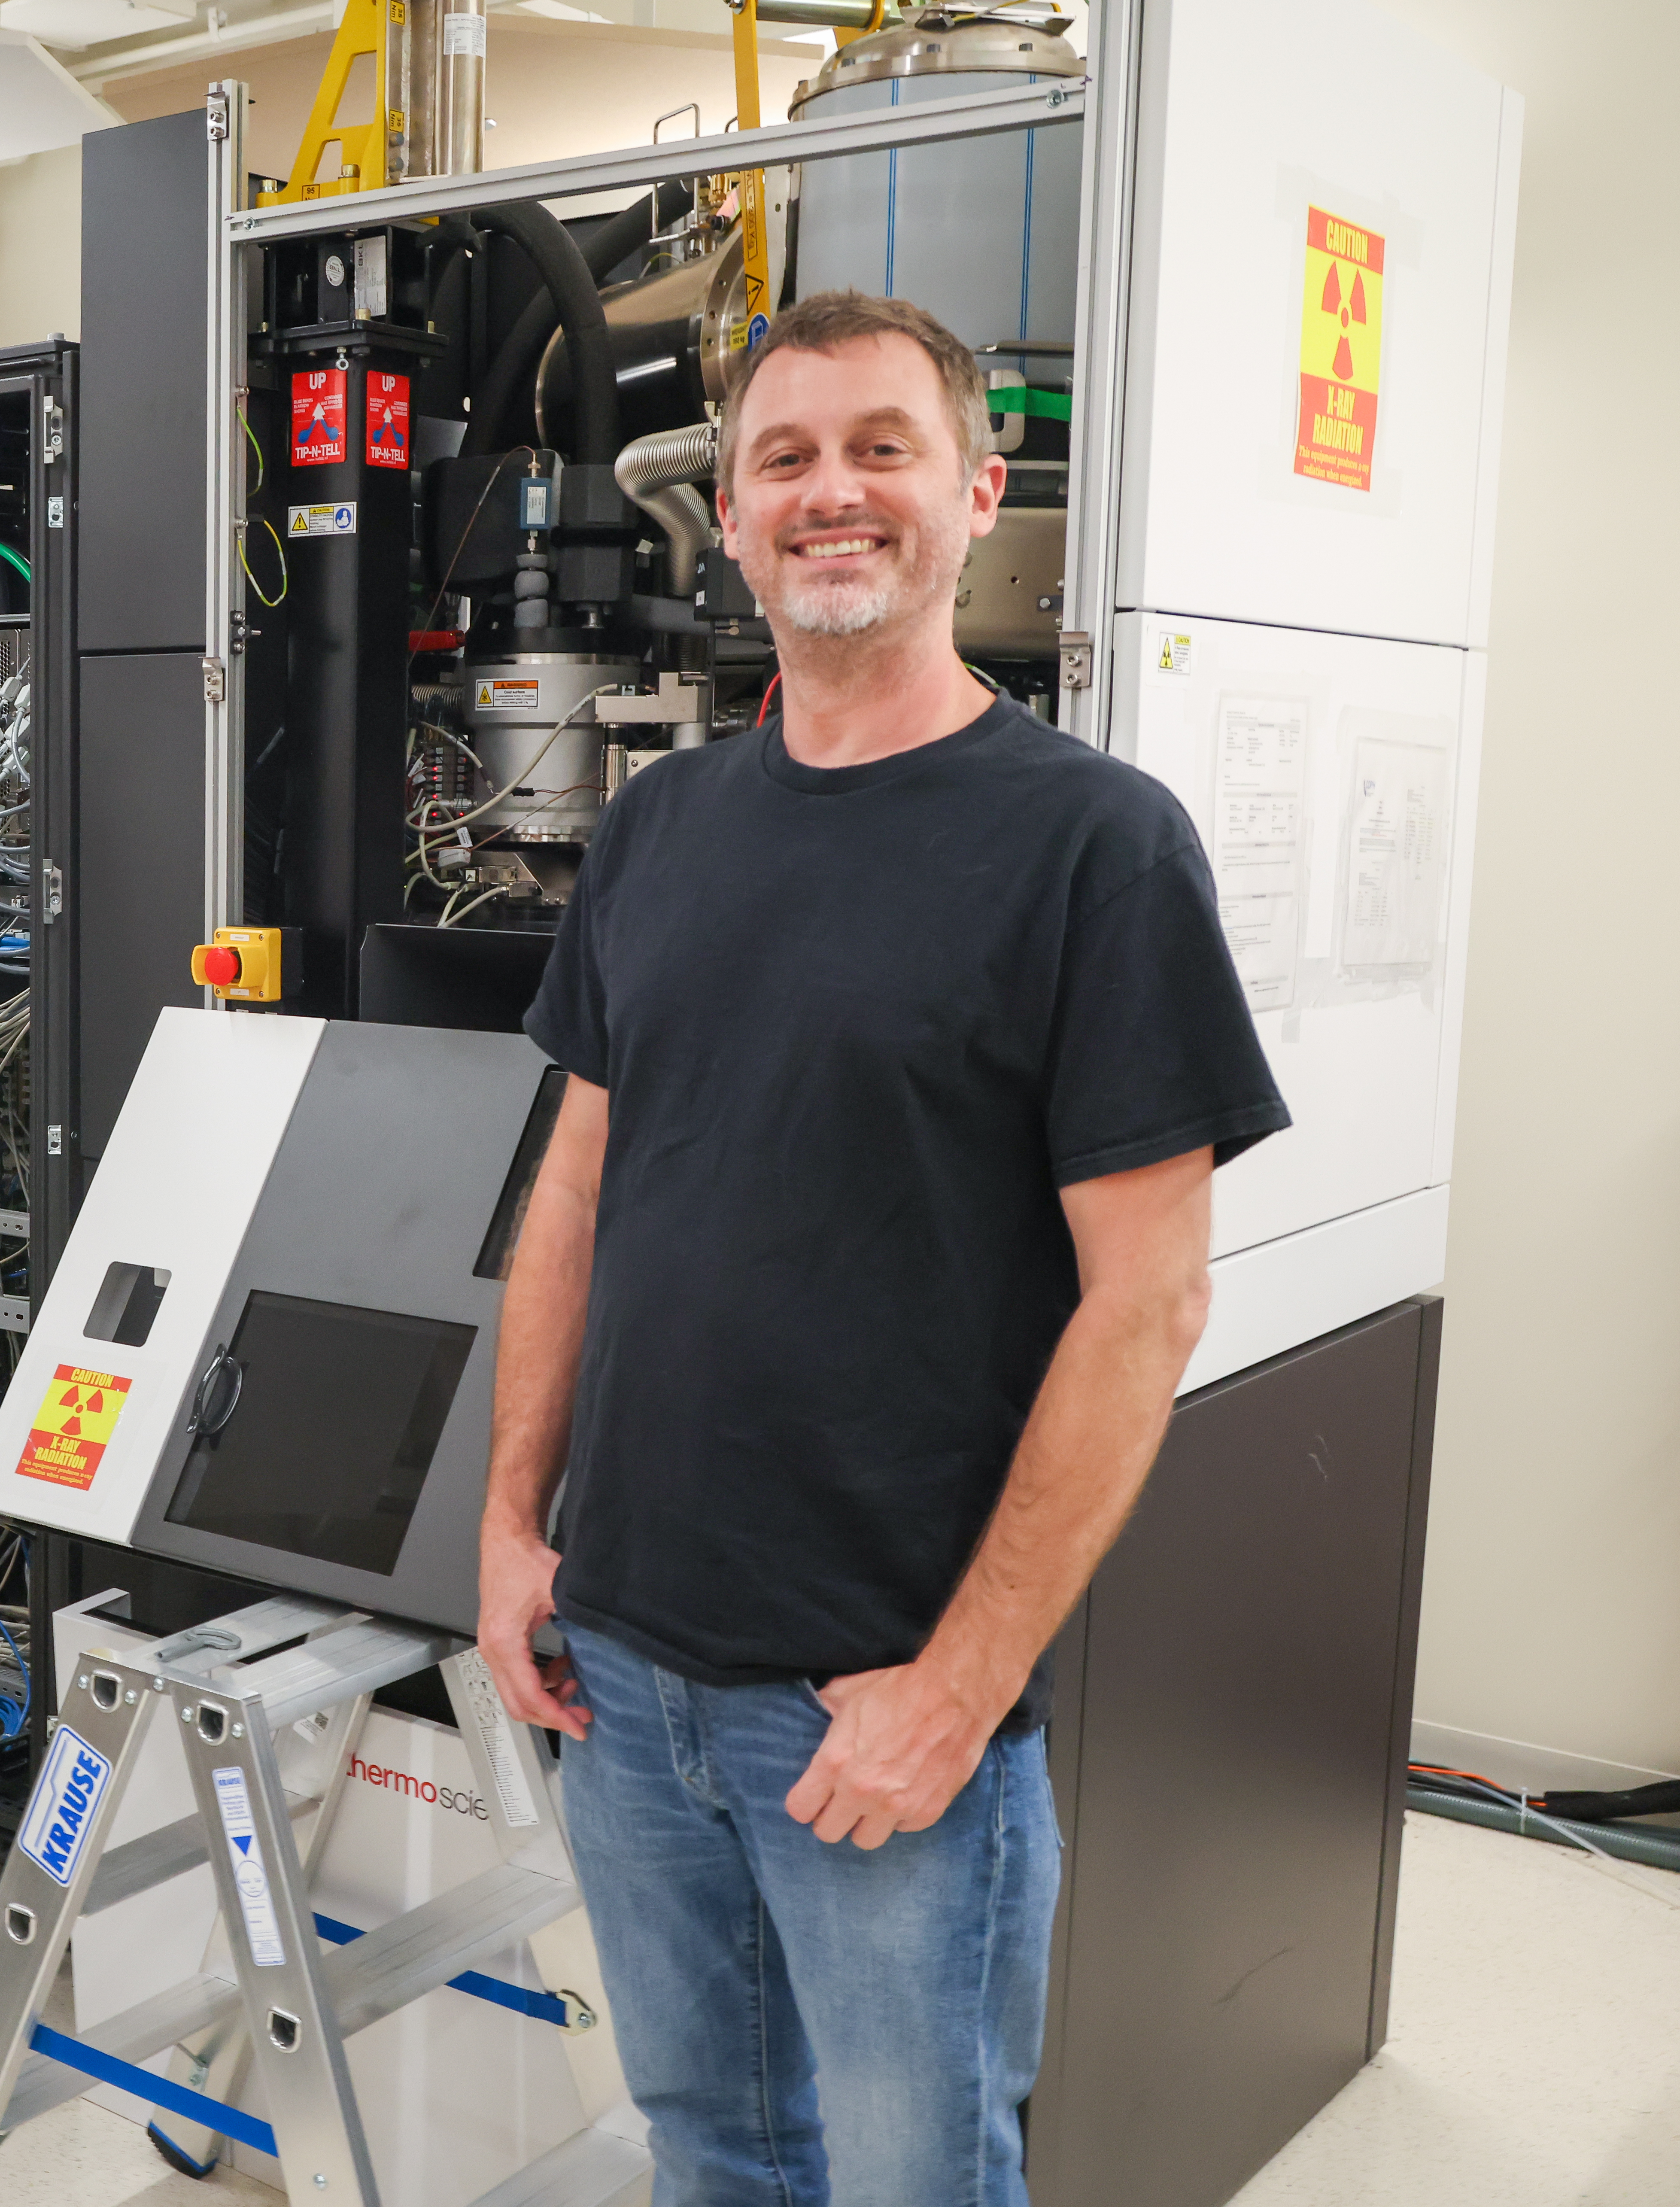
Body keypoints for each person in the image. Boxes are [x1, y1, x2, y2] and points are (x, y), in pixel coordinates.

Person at [473, 292, 1291, 2207]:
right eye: (783, 458)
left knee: (917, 2182)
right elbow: (576, 1196)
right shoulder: (660, 828)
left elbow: (1147, 1299)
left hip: (872, 1704)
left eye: (879, 448)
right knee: (711, 2148)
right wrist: (515, 1525)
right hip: (625, 1668)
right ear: (734, 522)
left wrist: (958, 1680)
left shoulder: (1095, 847)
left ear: (976, 494)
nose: (828, 492)